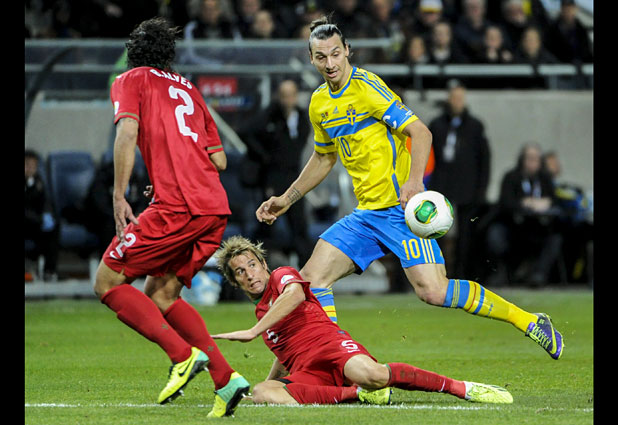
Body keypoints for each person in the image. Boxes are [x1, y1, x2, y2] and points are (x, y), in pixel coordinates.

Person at [255, 15, 564, 360]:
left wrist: (414, 182)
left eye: (335, 54)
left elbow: (421, 132)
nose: (330, 64)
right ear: (311, 59)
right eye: (321, 57)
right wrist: (287, 198)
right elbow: (324, 157)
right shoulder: (318, 103)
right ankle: (337, 363)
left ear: (348, 51)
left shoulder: (367, 87)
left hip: (401, 212)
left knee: (434, 291)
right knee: (312, 280)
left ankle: (529, 320)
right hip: (366, 215)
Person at [91, 17, 249, 418]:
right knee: (162, 295)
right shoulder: (189, 89)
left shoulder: (130, 80)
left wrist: (119, 195)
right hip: (213, 208)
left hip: (178, 206)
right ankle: (226, 379)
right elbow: (219, 159)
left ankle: (182, 355)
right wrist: (168, 174)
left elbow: (127, 133)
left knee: (106, 281)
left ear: (133, 52)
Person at [211, 235, 514, 406]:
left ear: (264, 264)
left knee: (372, 374)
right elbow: (284, 353)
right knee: (262, 393)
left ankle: (461, 388)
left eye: (252, 264)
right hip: (309, 370)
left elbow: (296, 295)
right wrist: (271, 381)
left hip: (331, 346)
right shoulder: (263, 314)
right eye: (240, 271)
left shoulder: (282, 276)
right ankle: (356, 395)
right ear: (235, 282)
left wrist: (254, 331)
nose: (249, 274)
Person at [240, 79, 313, 267]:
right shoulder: (270, 115)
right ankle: (254, 266)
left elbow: (299, 143)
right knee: (266, 225)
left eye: (291, 95)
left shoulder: (301, 117)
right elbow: (246, 131)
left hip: (295, 179)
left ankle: (308, 273)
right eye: (284, 96)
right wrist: (265, 156)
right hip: (273, 179)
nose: (288, 100)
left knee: (299, 225)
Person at [427, 81, 490, 278]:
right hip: (441, 185)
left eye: (460, 98)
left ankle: (463, 274)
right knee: (436, 230)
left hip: (466, 187)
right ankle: (437, 273)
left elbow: (484, 160)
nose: (457, 102)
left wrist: (481, 190)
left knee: (466, 235)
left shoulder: (475, 126)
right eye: (454, 98)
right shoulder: (437, 125)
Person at [485, 143, 563, 286]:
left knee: (555, 238)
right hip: (514, 226)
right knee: (495, 234)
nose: (533, 163)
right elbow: (505, 202)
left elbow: (556, 202)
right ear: (522, 159)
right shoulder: (511, 177)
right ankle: (499, 273)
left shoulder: (545, 179)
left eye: (536, 159)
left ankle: (539, 275)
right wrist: (524, 203)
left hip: (538, 228)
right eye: (530, 158)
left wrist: (546, 203)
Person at [25, 149, 59, 281]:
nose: (30, 169)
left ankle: (49, 271)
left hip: (35, 223)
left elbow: (46, 201)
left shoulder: (38, 181)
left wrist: (47, 214)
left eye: (33, 166)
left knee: (55, 226)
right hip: (29, 221)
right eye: (27, 165)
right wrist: (39, 219)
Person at [544, 0, 593, 64]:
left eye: (570, 9)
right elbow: (549, 52)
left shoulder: (582, 30)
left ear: (575, 9)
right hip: (559, 66)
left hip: (579, 67)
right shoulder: (552, 31)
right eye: (566, 9)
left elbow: (587, 53)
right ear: (561, 10)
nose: (568, 12)